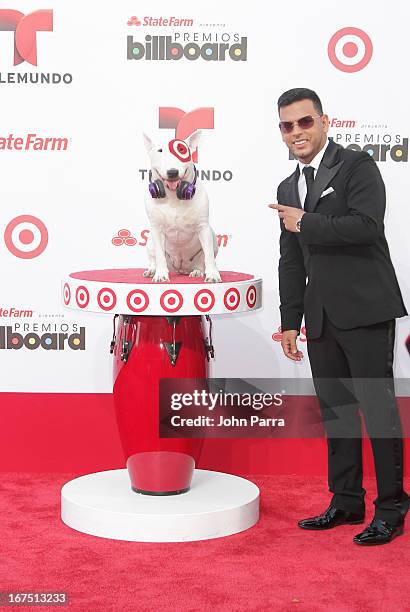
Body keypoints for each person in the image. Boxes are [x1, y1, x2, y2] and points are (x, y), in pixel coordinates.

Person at [270, 87, 409, 545]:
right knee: (338, 414)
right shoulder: (288, 187)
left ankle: (391, 506)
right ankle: (346, 501)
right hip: (321, 317)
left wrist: (306, 221)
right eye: (287, 126)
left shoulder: (357, 166)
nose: (296, 133)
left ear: (325, 122)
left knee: (378, 411)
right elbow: (290, 259)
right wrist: (291, 320)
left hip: (367, 309)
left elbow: (367, 226)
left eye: (305, 122)